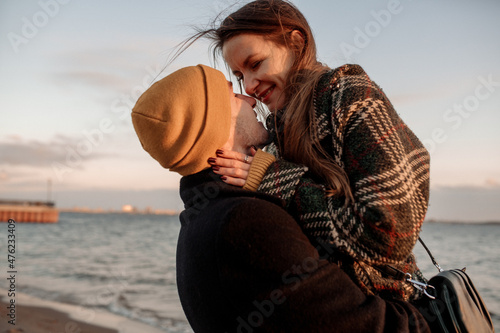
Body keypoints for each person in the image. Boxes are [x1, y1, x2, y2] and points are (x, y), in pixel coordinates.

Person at [131, 64, 430, 332]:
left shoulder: (199, 221)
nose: (249, 98)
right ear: (214, 125)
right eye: (233, 96)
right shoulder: (245, 222)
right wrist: (429, 316)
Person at [181, 0, 431, 301]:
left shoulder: (348, 95)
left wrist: (276, 179)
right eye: (238, 75)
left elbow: (391, 234)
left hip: (394, 309)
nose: (247, 86)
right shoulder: (275, 131)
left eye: (255, 64)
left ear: (296, 43)